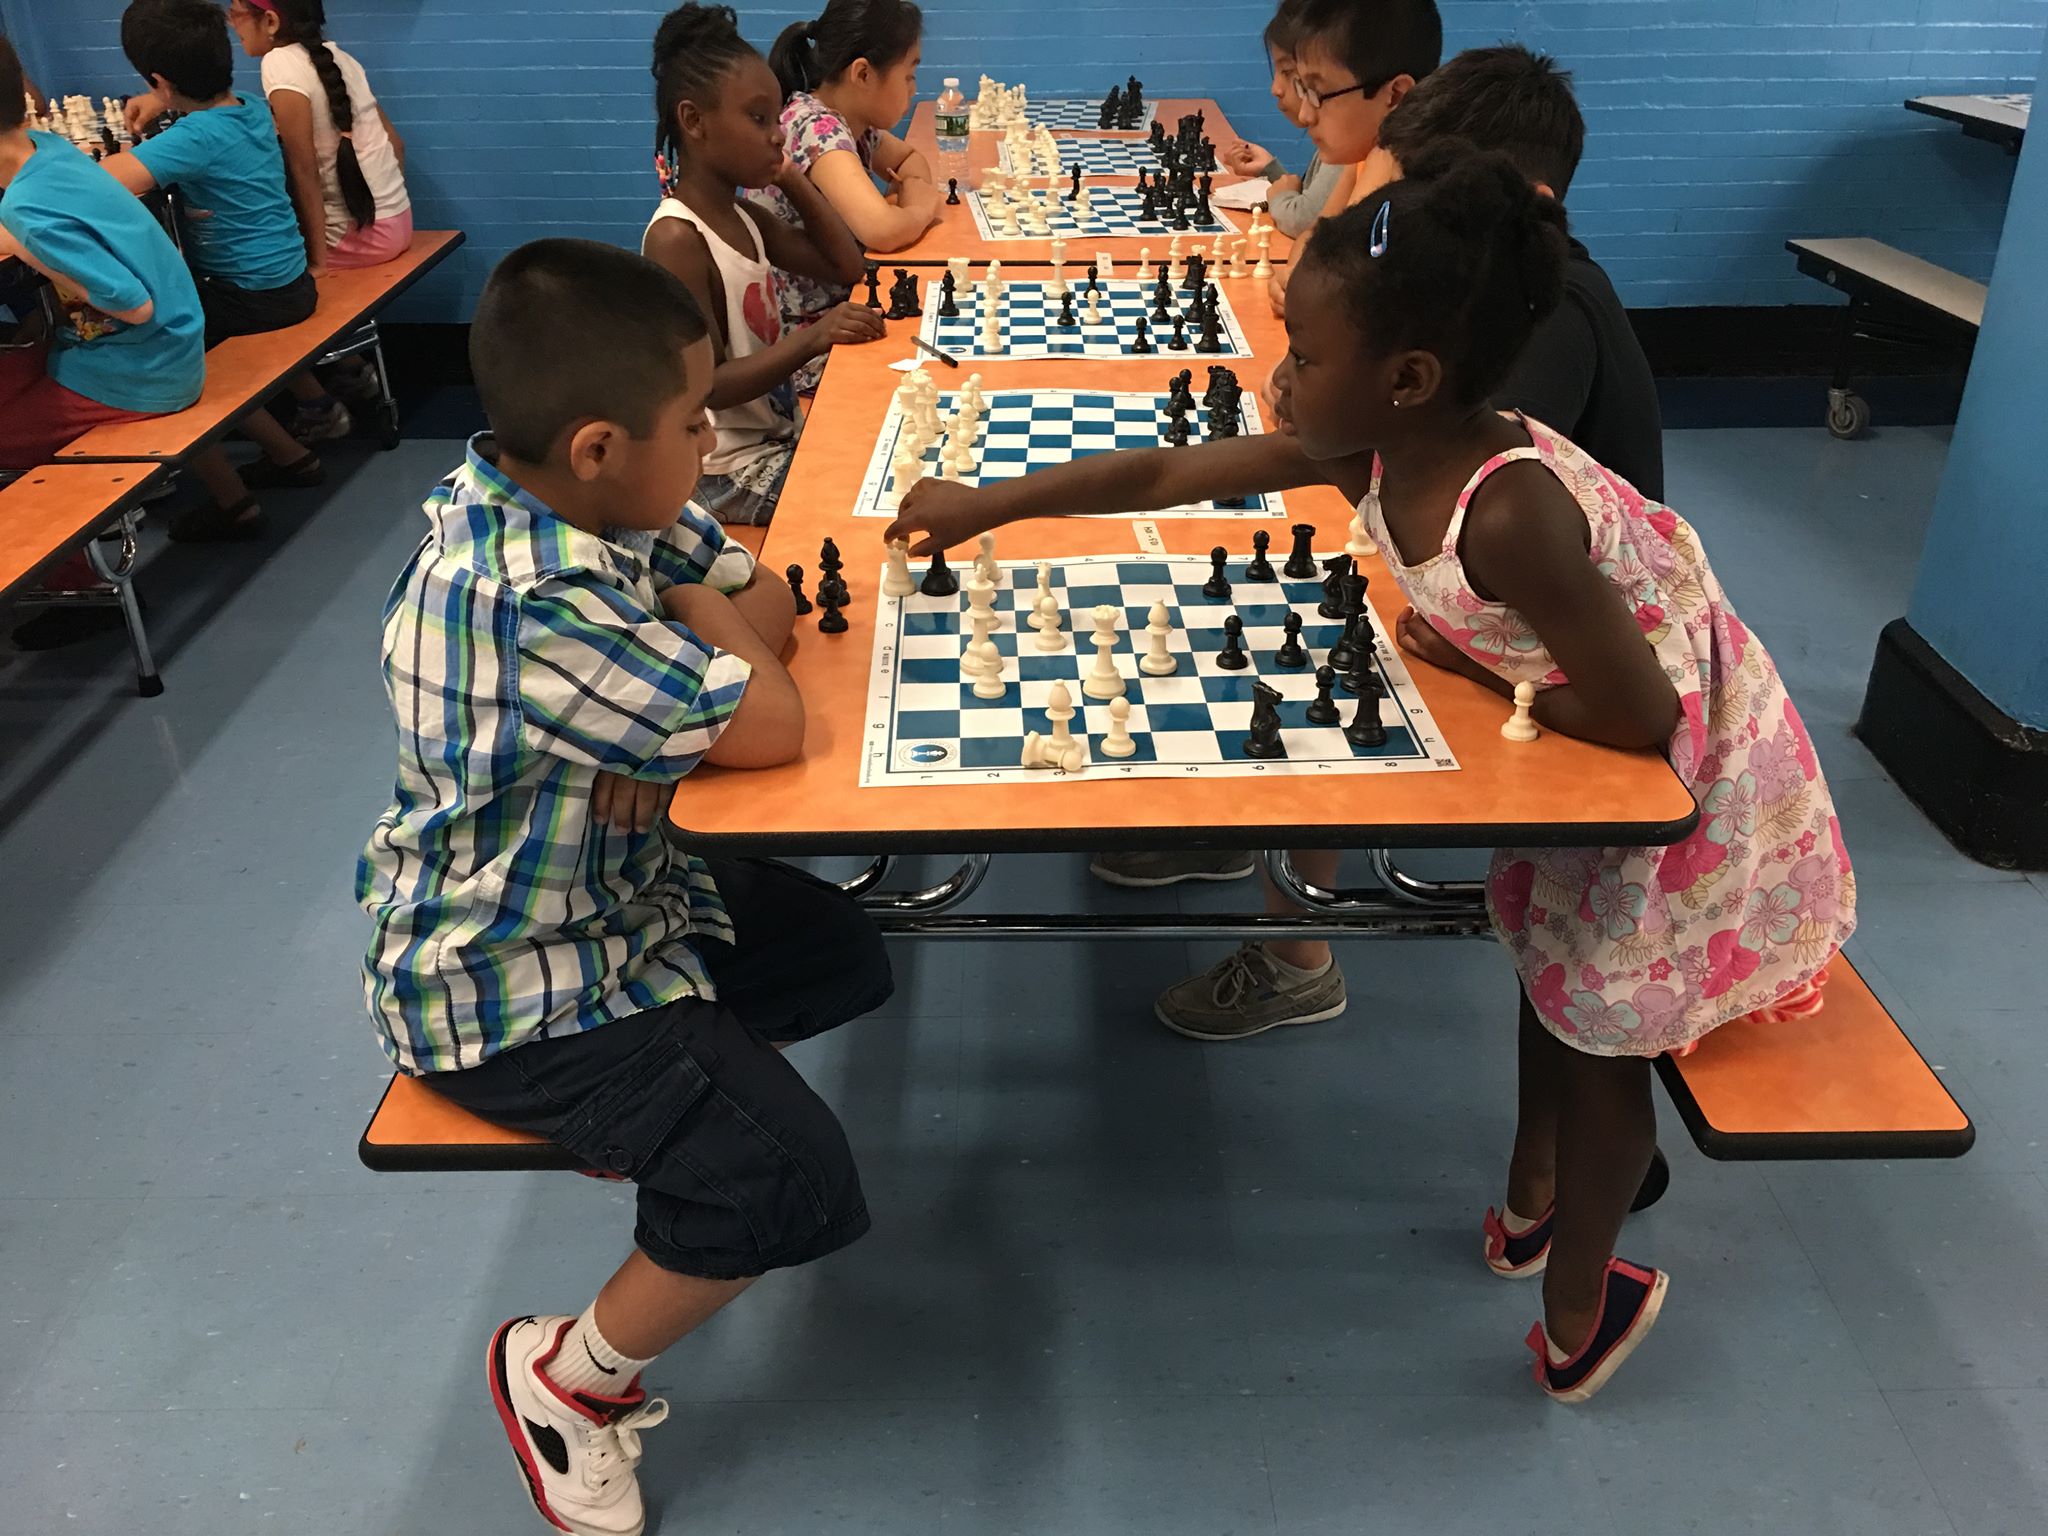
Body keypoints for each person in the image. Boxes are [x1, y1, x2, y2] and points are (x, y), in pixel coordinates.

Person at [887, 149, 1857, 1396]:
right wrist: (991, 502)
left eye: (1299, 350)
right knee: (1551, 974)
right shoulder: (1384, 446)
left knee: (1608, 1030)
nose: (1275, 373)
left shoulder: (1504, 510)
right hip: (1591, 737)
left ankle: (1578, 1311)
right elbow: (1169, 473)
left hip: (1681, 770)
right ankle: (1525, 1204)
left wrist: (1467, 659)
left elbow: (1634, 709)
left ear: (1405, 379)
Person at [358, 238, 893, 1536]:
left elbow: (765, 599)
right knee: (796, 1181)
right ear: (599, 445)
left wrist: (688, 638)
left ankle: (662, 1112)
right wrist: (701, 636)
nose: (712, 443)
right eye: (694, 421)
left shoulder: (585, 499)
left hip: (621, 905)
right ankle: (567, 1377)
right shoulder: (532, 594)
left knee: (844, 955)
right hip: (504, 991)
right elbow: (771, 715)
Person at [1372, 44, 1664, 501]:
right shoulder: (1478, 282)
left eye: (1443, 198)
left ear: (1536, 205)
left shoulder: (1551, 311)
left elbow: (1470, 490)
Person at [101, 0, 338, 541]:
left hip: (248, 297)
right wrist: (159, 102)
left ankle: (234, 502)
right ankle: (292, 449)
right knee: (199, 332)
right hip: (288, 283)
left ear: (161, 80)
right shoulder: (249, 108)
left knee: (160, 355)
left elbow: (104, 181)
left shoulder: (193, 138)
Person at [0, 30, 206, 648]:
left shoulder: (27, 210)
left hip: (146, 368)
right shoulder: (46, 148)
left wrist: (36, 253)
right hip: (165, 344)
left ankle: (79, 586)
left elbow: (132, 303)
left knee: (8, 435)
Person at [641, 4, 881, 525]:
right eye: (757, 119)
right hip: (724, 473)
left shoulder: (744, 215)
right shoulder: (677, 238)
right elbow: (708, 385)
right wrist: (813, 339)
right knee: (859, 510)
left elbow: (846, 267)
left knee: (882, 461)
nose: (776, 134)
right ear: (693, 121)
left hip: (774, 440)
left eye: (775, 119)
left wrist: (792, 177)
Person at [228, 0, 413, 432]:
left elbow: (303, 171)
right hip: (396, 224)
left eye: (235, 12)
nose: (230, 23)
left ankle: (319, 407)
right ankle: (350, 367)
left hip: (357, 241)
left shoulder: (278, 64)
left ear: (270, 21)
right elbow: (396, 145)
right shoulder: (342, 58)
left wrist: (318, 261)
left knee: (255, 286)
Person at [751, 0, 937, 391]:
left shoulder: (853, 123)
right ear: (863, 73)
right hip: (808, 343)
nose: (913, 89)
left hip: (845, 310)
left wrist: (911, 196)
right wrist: (922, 205)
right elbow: (883, 231)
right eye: (908, 75)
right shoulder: (816, 127)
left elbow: (912, 160)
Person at [1264, 0, 1440, 316]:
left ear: (1396, 94)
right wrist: (1298, 281)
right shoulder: (1362, 157)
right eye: (1302, 90)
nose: (1305, 115)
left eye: (1317, 93)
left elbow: (1336, 289)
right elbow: (1315, 242)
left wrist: (1308, 284)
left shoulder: (1417, 182)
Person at [1220, 1, 1343, 241]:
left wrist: (1280, 195)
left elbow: (1305, 220)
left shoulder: (1349, 147)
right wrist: (1272, 172)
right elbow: (1314, 202)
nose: (1275, 88)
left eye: (1288, 73)